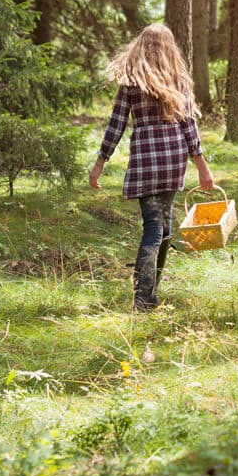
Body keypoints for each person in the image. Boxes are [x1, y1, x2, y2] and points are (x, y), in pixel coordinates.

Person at [88, 24, 214, 311]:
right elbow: (189, 127)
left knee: (155, 228)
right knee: (163, 229)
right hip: (172, 160)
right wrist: (202, 165)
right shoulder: (177, 79)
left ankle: (145, 296)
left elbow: (116, 125)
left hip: (146, 161)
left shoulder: (132, 82)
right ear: (170, 48)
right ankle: (148, 294)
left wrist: (100, 163)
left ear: (141, 46)